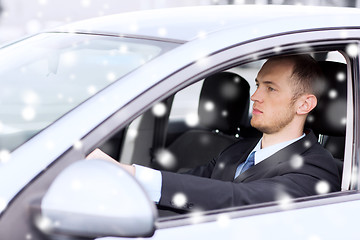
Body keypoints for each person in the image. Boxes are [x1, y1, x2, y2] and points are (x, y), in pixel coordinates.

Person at [87, 54, 341, 212]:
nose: (255, 96)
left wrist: (131, 173)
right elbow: (188, 184)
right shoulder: (236, 150)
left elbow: (240, 198)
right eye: (257, 85)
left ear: (304, 104)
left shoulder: (317, 169)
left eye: (271, 89)